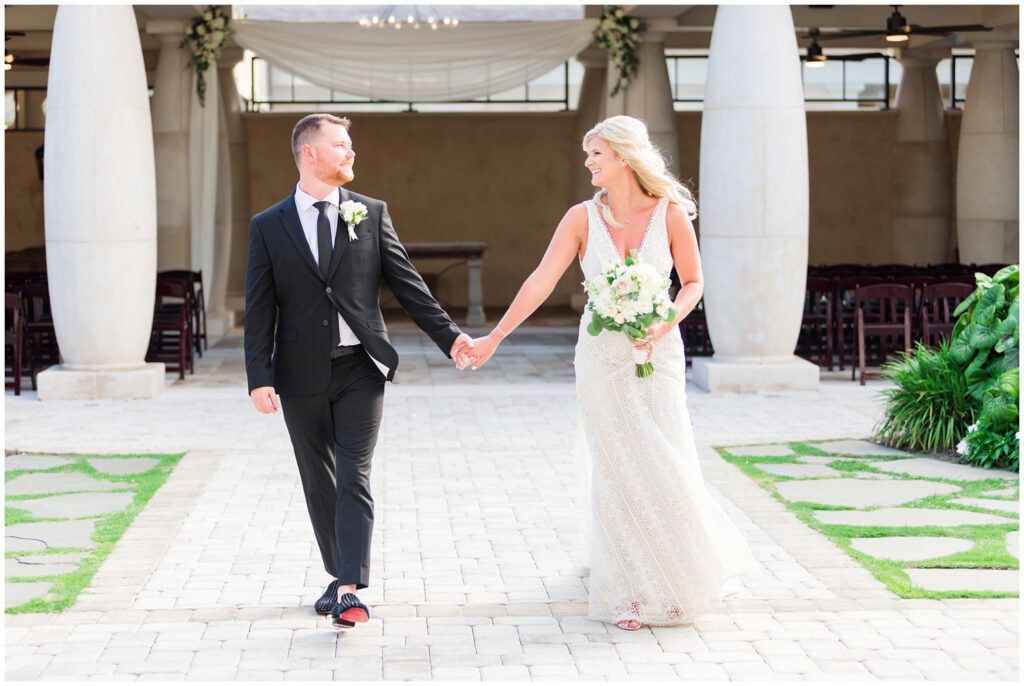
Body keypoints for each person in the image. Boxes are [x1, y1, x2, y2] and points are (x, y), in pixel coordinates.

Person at [467, 115, 763, 630]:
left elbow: (692, 283)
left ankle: (676, 582)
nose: (588, 163)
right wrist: (495, 336)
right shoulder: (580, 218)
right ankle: (627, 589)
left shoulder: (670, 215)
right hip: (601, 358)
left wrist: (667, 320)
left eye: (596, 154)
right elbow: (541, 281)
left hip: (658, 355)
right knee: (619, 469)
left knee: (665, 462)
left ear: (623, 157)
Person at [244, 113, 474, 629]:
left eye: (351, 146)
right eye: (341, 146)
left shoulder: (370, 213)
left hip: (362, 369)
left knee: (354, 473)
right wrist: (258, 375)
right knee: (318, 479)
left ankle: (349, 589)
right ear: (309, 153)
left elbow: (409, 285)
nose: (351, 154)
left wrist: (451, 338)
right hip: (298, 374)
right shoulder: (268, 225)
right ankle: (338, 571)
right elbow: (260, 309)